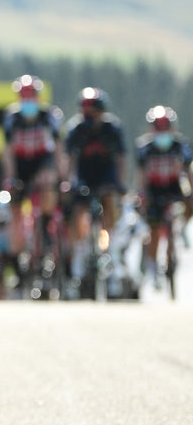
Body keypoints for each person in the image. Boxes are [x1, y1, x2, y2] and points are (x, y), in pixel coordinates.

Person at [1, 75, 64, 285]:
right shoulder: (13, 116)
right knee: (16, 214)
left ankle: (46, 225)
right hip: (21, 164)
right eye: (24, 96)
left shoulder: (49, 116)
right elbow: (8, 151)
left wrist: (60, 176)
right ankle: (17, 257)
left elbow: (58, 149)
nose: (28, 100)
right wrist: (10, 178)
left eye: (32, 96)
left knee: (48, 183)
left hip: (41, 161)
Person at [63, 87, 126, 284]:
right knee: (79, 207)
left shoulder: (112, 128)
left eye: (94, 113)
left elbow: (121, 158)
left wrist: (120, 183)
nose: (90, 117)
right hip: (84, 175)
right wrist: (69, 181)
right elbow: (69, 158)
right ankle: (80, 250)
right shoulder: (76, 129)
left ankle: (111, 246)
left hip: (107, 175)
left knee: (109, 200)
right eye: (86, 113)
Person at [135, 105, 192, 284]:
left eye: (165, 128)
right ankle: (152, 267)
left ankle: (181, 227)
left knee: (190, 201)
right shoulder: (145, 148)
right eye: (158, 129)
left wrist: (190, 191)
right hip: (154, 189)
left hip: (174, 187)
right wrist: (143, 195)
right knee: (154, 228)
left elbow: (188, 171)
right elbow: (141, 176)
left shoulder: (180, 146)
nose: (162, 133)